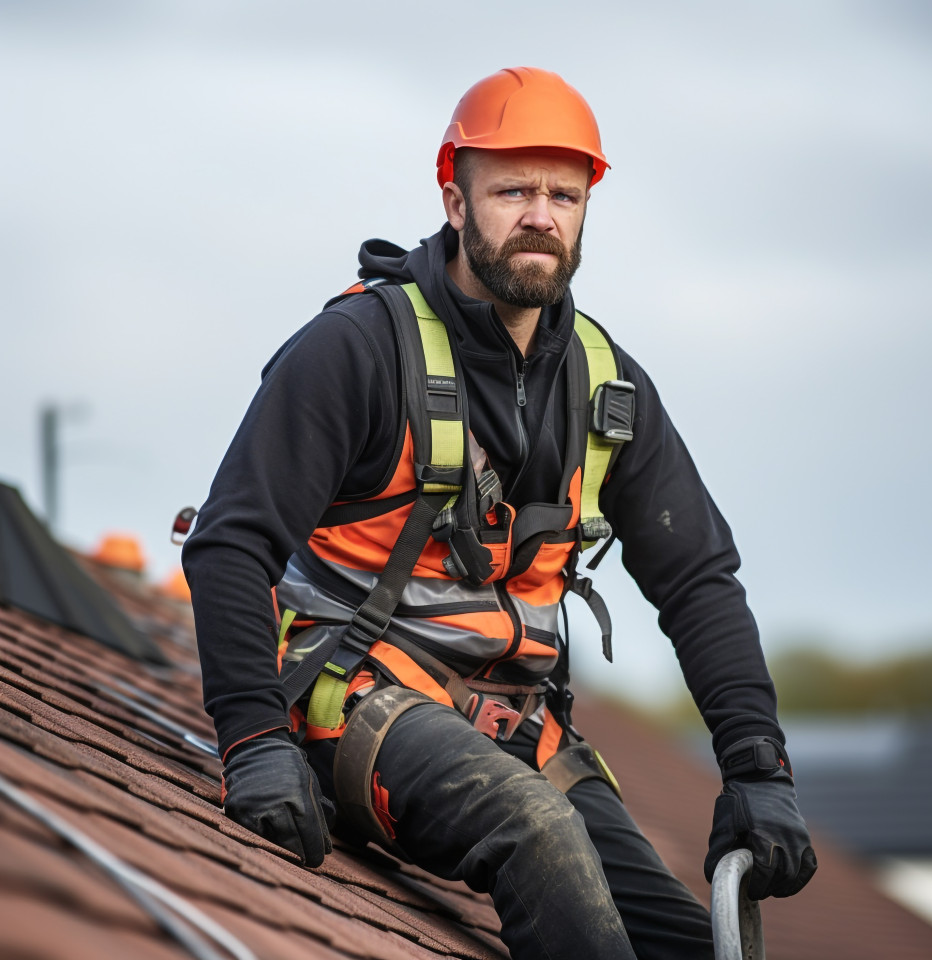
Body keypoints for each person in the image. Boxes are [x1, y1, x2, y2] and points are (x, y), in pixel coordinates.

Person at [183, 66, 816, 960]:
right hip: (352, 701)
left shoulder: (608, 386)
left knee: (680, 938)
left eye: (564, 193)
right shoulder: (357, 350)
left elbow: (700, 581)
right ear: (454, 198)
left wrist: (759, 769)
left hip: (514, 727)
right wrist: (251, 739)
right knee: (538, 832)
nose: (540, 215)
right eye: (512, 189)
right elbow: (229, 544)